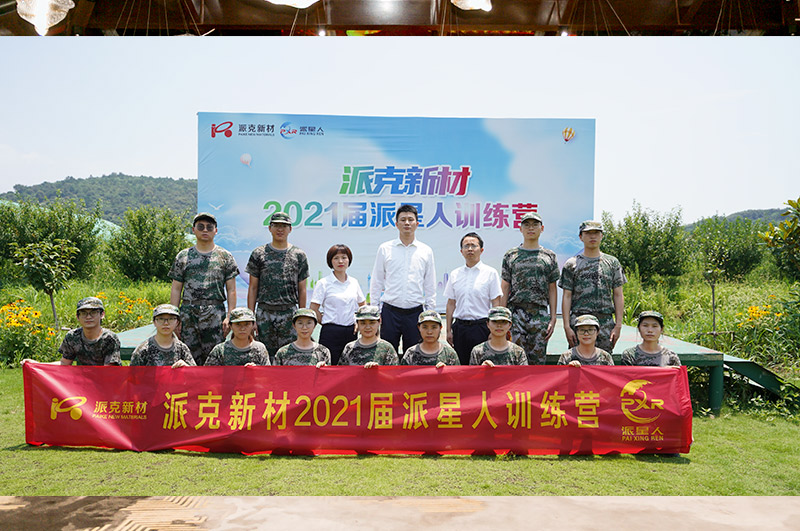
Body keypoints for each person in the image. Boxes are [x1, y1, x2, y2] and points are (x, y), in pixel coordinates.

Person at [169, 212, 239, 366]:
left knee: (215, 359)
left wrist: (229, 316)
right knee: (188, 358)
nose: (205, 230)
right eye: (200, 227)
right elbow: (176, 289)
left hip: (215, 313)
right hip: (188, 314)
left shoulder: (225, 256)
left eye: (209, 227)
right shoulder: (183, 256)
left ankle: (212, 383)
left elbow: (231, 290)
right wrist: (174, 316)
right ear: (193, 230)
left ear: (216, 231)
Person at [370, 204, 436, 354]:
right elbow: (377, 281)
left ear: (417, 224)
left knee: (414, 355)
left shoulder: (425, 251)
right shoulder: (385, 248)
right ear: (396, 224)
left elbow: (430, 284)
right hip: (390, 312)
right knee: (386, 354)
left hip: (415, 313)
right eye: (403, 220)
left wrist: (430, 312)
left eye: (410, 220)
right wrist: (375, 311)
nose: (407, 223)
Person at [246, 211, 309, 357]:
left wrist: (301, 317)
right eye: (276, 225)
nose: (280, 229)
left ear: (290, 229)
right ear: (270, 228)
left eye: (284, 226)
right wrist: (251, 317)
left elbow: (302, 289)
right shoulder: (258, 253)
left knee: (289, 355)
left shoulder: (299, 255)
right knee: (264, 355)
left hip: (289, 313)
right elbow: (253, 287)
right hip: (265, 313)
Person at [500, 213, 560, 365]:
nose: (531, 228)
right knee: (515, 358)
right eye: (526, 225)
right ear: (520, 229)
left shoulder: (549, 256)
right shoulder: (511, 255)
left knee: (537, 360)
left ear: (542, 228)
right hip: (516, 313)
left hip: (540, 314)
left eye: (535, 224)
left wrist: (553, 317)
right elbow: (505, 286)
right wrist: (503, 315)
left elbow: (552, 288)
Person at [559, 220, 626, 353]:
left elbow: (618, 294)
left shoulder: (612, 263)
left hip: (605, 322)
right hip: (579, 321)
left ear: (601, 236)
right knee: (578, 359)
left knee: (604, 360)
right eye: (588, 233)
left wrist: (618, 325)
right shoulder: (572, 264)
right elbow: (567, 296)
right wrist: (566, 326)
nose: (592, 236)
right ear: (581, 237)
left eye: (596, 233)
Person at [444, 232, 502, 366]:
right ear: (461, 251)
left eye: (473, 246)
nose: (470, 249)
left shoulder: (490, 273)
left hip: (481, 328)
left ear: (481, 250)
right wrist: (448, 330)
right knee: (461, 367)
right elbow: (451, 303)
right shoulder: (455, 274)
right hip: (460, 328)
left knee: (482, 366)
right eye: (466, 246)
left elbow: (496, 303)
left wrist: (493, 330)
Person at [309, 244, 365, 365]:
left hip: (351, 332)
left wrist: (358, 322)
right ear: (330, 261)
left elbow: (363, 305)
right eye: (336, 258)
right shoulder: (323, 283)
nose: (340, 261)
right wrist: (325, 321)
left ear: (349, 260)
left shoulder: (354, 282)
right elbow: (313, 309)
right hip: (331, 332)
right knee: (329, 366)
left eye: (344, 257)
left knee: (350, 366)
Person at [24, 297, 122, 366]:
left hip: (107, 383)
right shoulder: (73, 337)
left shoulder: (109, 339)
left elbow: (109, 371)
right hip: (84, 382)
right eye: (83, 313)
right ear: (77, 317)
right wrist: (37, 365)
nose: (88, 317)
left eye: (93, 312)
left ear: (102, 315)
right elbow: (64, 363)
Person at [130, 304, 195, 368]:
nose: (166, 323)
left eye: (171, 319)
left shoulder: (182, 349)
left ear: (177, 322)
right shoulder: (143, 350)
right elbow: (133, 374)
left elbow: (195, 373)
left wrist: (186, 367)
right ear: (154, 322)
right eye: (161, 319)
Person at [204, 307, 270, 366]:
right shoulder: (220, 351)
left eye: (247, 324)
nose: (242, 328)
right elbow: (208, 373)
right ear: (230, 326)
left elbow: (268, 374)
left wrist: (256, 371)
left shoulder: (260, 349)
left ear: (253, 325)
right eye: (238, 324)